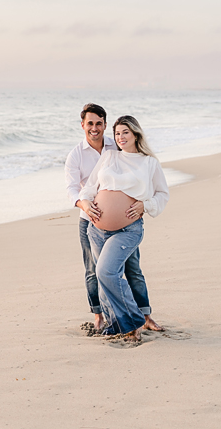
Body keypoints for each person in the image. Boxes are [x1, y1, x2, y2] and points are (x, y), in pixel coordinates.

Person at [65, 104, 162, 333]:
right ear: (83, 125)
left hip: (126, 226)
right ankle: (105, 319)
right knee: (95, 271)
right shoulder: (76, 155)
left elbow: (154, 189)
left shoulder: (117, 148)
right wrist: (84, 203)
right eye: (90, 124)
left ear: (105, 125)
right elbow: (76, 189)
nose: (95, 128)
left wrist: (145, 205)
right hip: (90, 220)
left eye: (99, 123)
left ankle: (142, 316)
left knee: (131, 270)